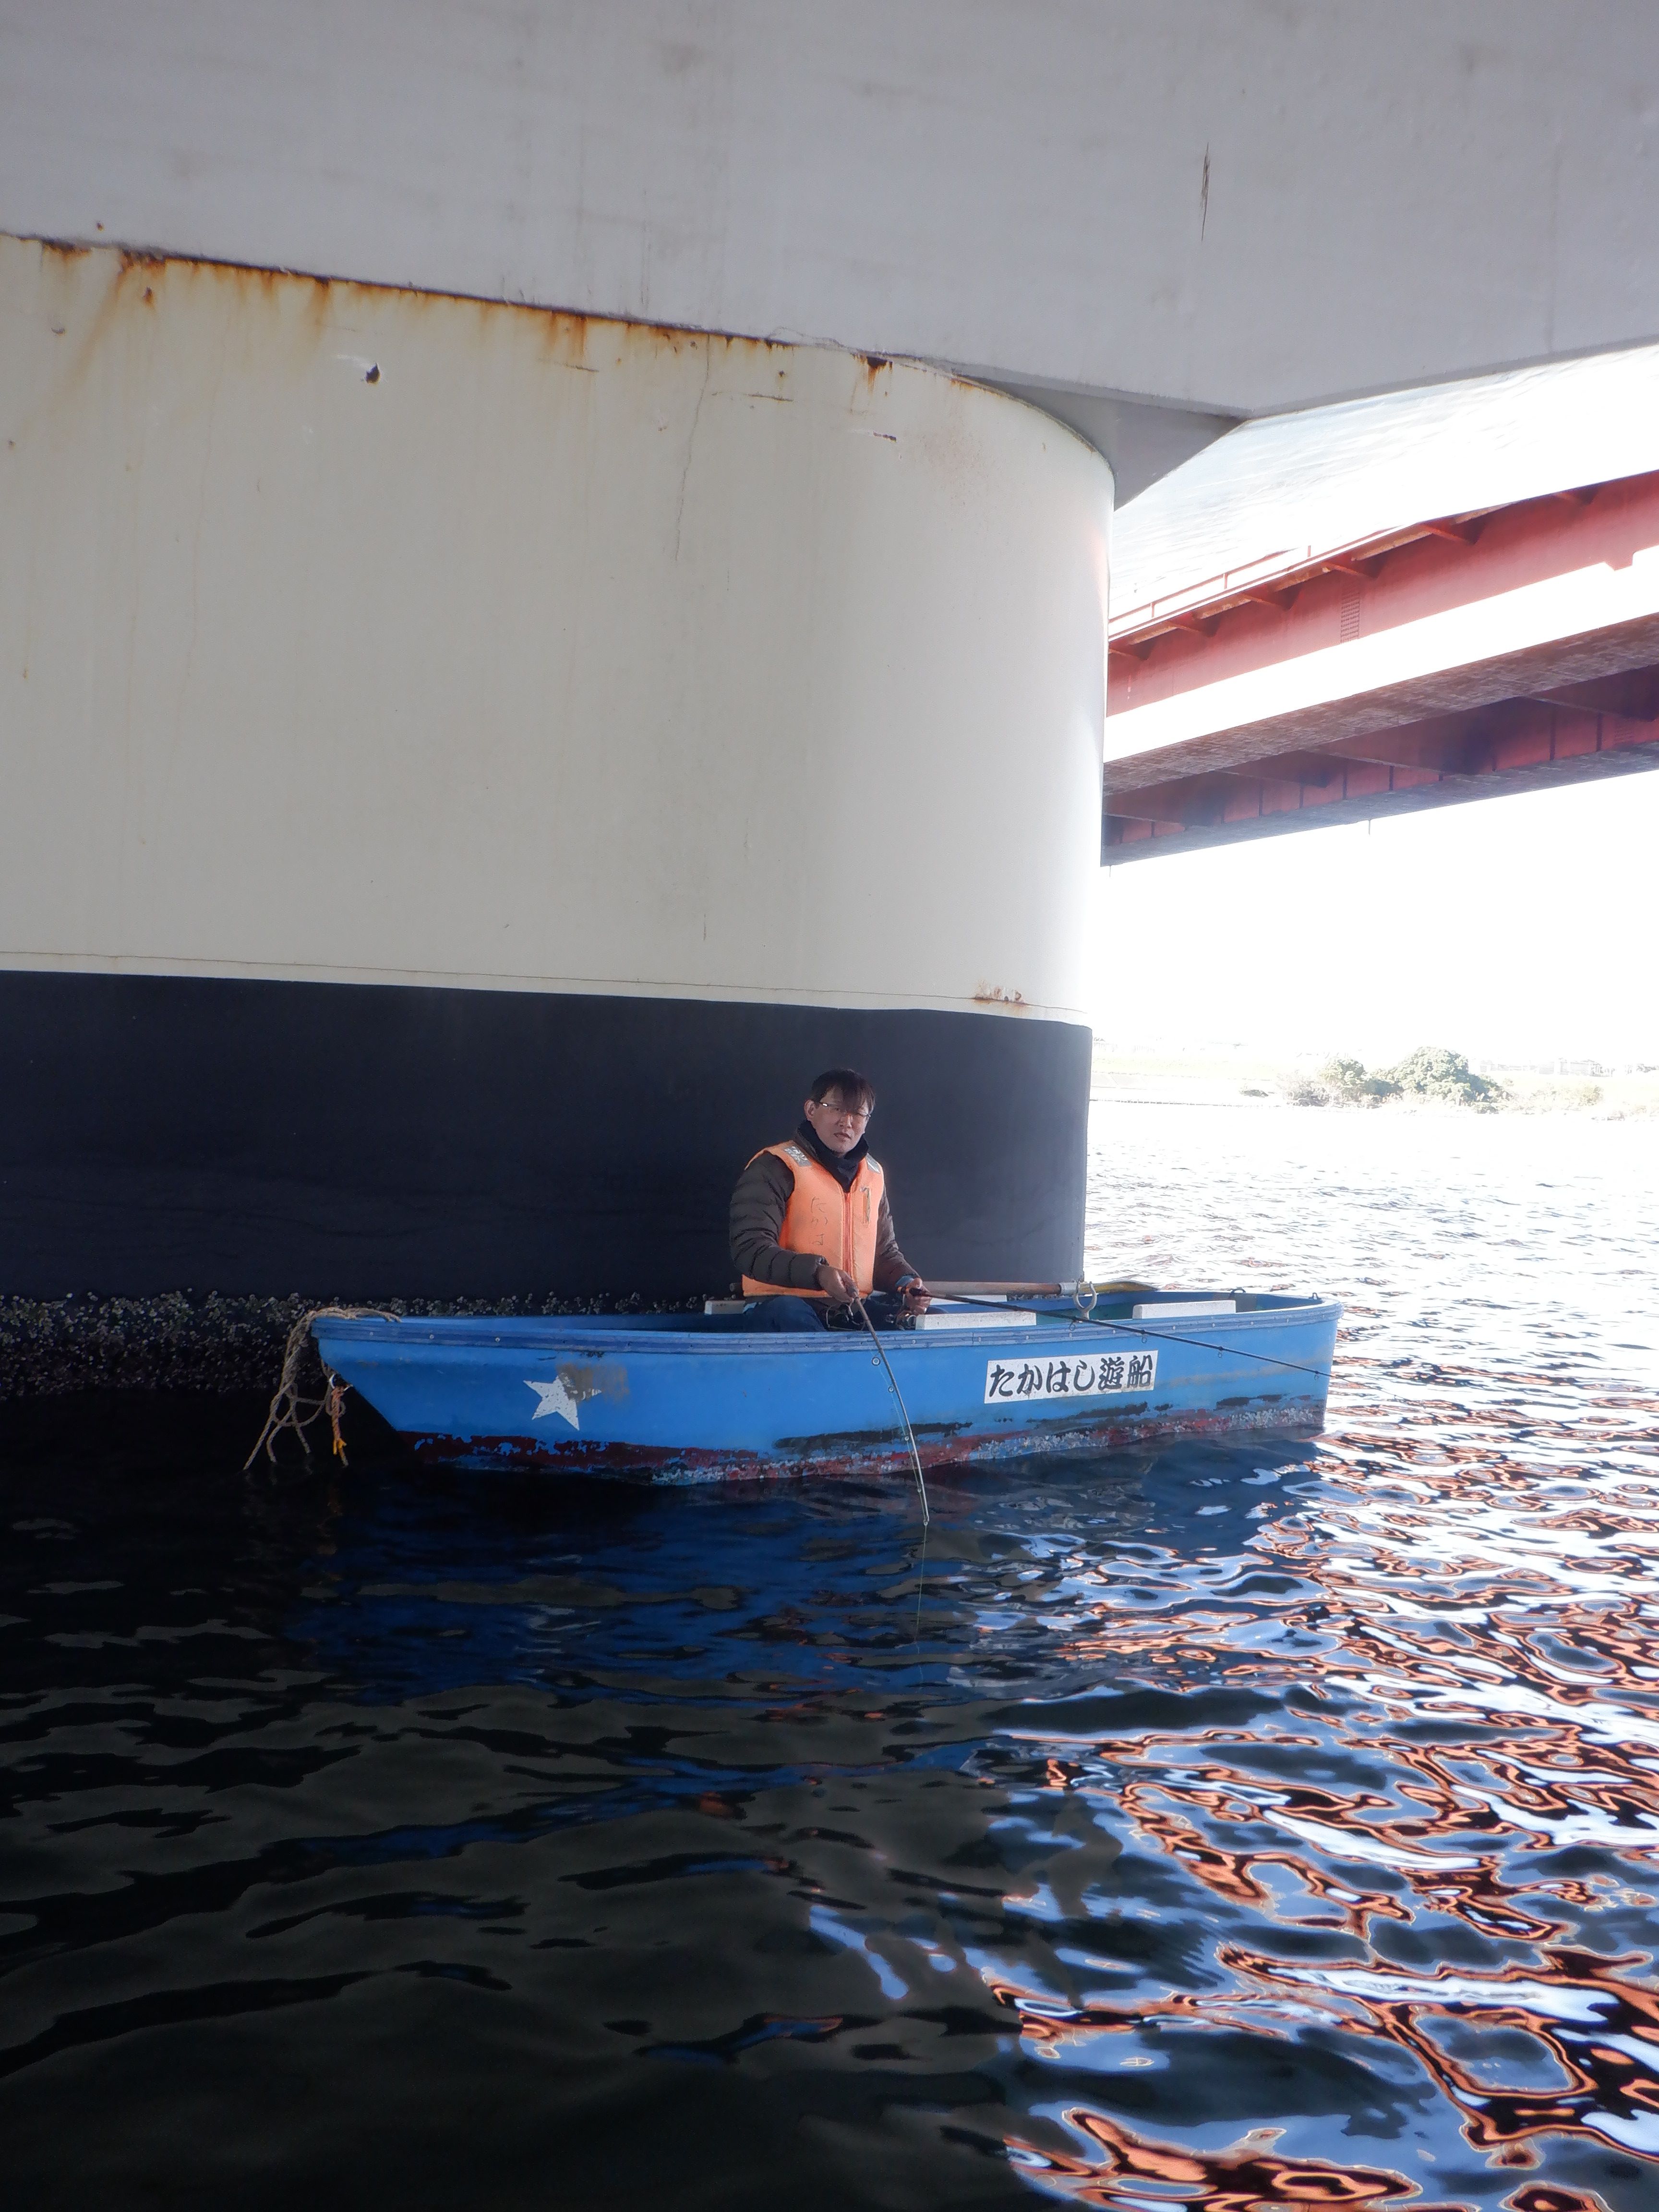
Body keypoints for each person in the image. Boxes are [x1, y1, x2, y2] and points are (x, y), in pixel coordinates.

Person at [728, 1069, 931, 1330]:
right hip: (781, 1305)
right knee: (792, 1318)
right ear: (811, 1110)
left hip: (852, 1309)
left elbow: (883, 1254)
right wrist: (818, 1273)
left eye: (858, 1114)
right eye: (836, 1109)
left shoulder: (873, 1175)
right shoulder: (775, 1166)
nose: (847, 1122)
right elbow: (749, 1249)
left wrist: (907, 1283)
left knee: (927, 1322)